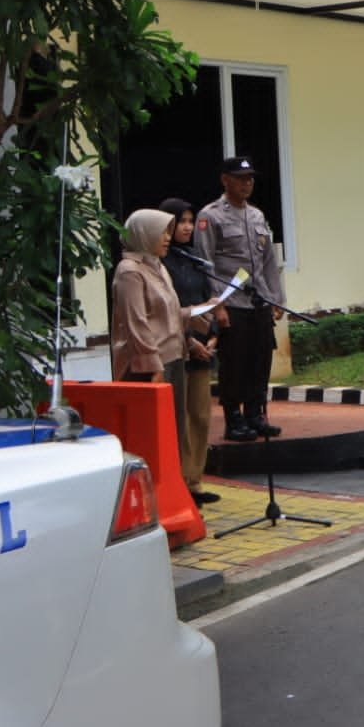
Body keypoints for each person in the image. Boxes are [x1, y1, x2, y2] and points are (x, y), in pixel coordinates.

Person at [195, 156, 287, 442]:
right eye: (240, 178)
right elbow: (204, 262)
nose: (247, 183)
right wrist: (216, 304)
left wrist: (276, 298)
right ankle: (233, 419)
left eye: (250, 178)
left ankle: (255, 414)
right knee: (235, 363)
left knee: (260, 358)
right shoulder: (210, 216)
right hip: (231, 302)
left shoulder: (257, 216)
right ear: (225, 180)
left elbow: (268, 261)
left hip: (257, 300)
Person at [111, 210, 215, 464]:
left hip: (174, 358)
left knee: (173, 431)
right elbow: (137, 323)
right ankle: (150, 494)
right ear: (144, 234)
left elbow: (170, 314)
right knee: (150, 435)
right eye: (162, 232)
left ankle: (173, 491)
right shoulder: (129, 271)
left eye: (169, 232)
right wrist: (153, 367)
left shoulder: (158, 267)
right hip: (147, 365)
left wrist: (203, 309)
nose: (167, 238)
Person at [160, 197, 225, 506]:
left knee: (200, 415)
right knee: (180, 418)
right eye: (180, 221)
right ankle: (180, 481)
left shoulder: (195, 259)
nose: (186, 227)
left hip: (202, 350)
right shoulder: (161, 264)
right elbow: (166, 311)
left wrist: (212, 338)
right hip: (178, 350)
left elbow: (207, 300)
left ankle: (196, 480)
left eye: (189, 221)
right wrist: (190, 341)